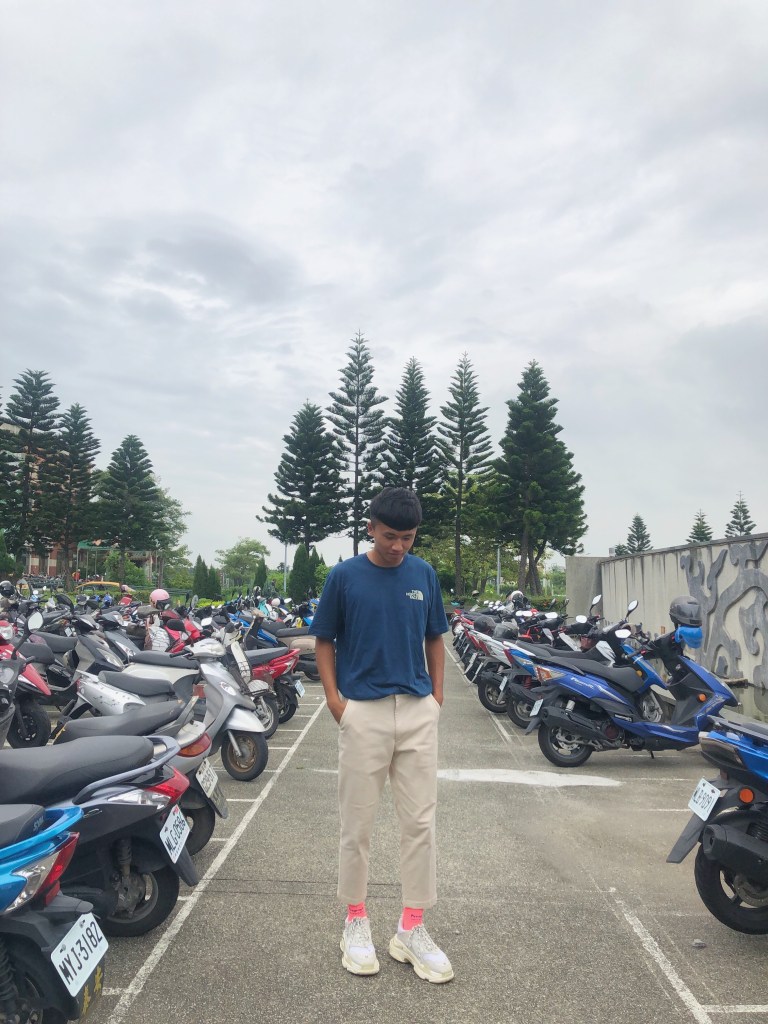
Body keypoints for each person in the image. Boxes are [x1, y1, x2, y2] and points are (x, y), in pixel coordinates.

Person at [309, 486, 453, 984]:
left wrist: (436, 698)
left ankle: (411, 927)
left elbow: (435, 637)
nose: (398, 546)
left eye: (407, 537)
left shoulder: (423, 574)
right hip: (362, 712)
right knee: (358, 825)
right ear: (370, 528)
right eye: (390, 536)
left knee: (420, 823)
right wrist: (336, 703)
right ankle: (355, 919)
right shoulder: (345, 576)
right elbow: (323, 639)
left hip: (416, 711)